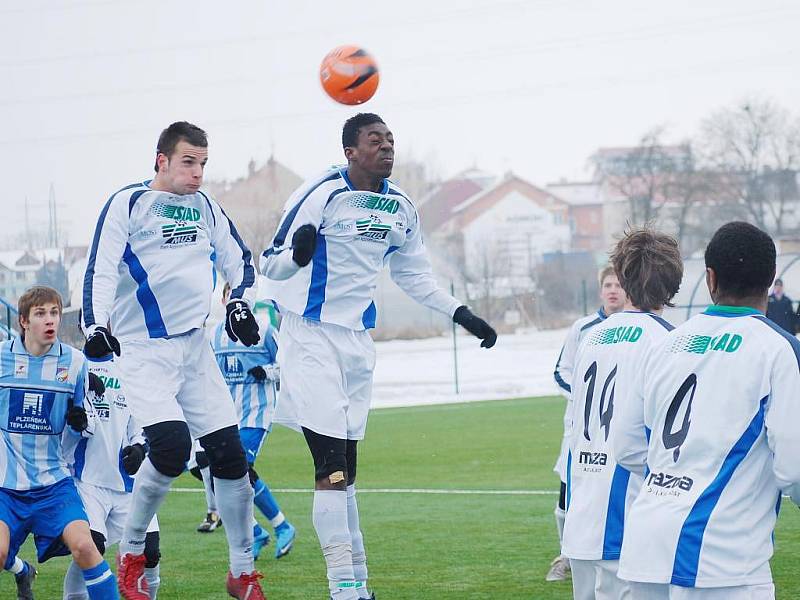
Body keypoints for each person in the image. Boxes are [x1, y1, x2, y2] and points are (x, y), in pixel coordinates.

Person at [260, 113, 497, 600]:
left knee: (348, 468)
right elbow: (271, 261)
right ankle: (342, 587)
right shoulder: (321, 192)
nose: (387, 147)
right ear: (350, 150)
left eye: (390, 140)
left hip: (356, 345)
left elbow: (415, 277)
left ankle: (359, 583)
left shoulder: (401, 207)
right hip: (309, 337)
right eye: (375, 140)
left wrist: (463, 314)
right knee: (330, 469)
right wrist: (298, 257)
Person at [81, 121, 265, 600]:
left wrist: (238, 303)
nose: (198, 173)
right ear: (161, 160)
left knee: (231, 459)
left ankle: (242, 573)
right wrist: (94, 326)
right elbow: (99, 269)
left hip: (194, 350)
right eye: (189, 161)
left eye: (203, 163)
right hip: (142, 352)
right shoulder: (129, 204)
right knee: (170, 447)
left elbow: (240, 262)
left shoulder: (205, 207)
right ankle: (133, 554)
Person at [615, 222, 800, 600]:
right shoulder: (779, 349)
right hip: (722, 556)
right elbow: (793, 467)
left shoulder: (666, 343)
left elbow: (627, 445)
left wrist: (675, 481)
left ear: (710, 278)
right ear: (771, 278)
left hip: (645, 546)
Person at [562, 229, 683, 600]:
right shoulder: (667, 341)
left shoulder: (592, 336)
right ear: (673, 285)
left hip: (582, 512)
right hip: (627, 519)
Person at [0, 286, 118, 599]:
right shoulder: (2, 358)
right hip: (6, 487)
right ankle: (22, 571)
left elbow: (90, 421)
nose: (50, 320)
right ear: (24, 321)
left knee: (84, 546)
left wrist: (81, 421)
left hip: (54, 485)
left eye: (54, 312)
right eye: (41, 314)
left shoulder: (76, 363)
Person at [63, 342, 161, 599]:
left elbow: (141, 420)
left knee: (150, 553)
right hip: (88, 481)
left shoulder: (130, 366)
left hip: (130, 484)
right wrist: (76, 422)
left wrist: (140, 448)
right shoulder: (72, 366)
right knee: (90, 548)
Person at [547, 265, 626, 582]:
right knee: (568, 493)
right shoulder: (583, 328)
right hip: (580, 430)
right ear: (600, 289)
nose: (613, 290)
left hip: (619, 429)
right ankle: (566, 556)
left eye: (619, 285)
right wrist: (584, 399)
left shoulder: (637, 328)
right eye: (608, 284)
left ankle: (620, 552)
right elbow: (561, 371)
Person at [210, 282, 296, 560]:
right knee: (218, 475)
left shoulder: (265, 330)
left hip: (257, 412)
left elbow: (290, 365)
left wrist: (268, 371)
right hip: (226, 415)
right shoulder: (214, 336)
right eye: (229, 296)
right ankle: (257, 531)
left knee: (242, 467)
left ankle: (283, 525)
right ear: (224, 301)